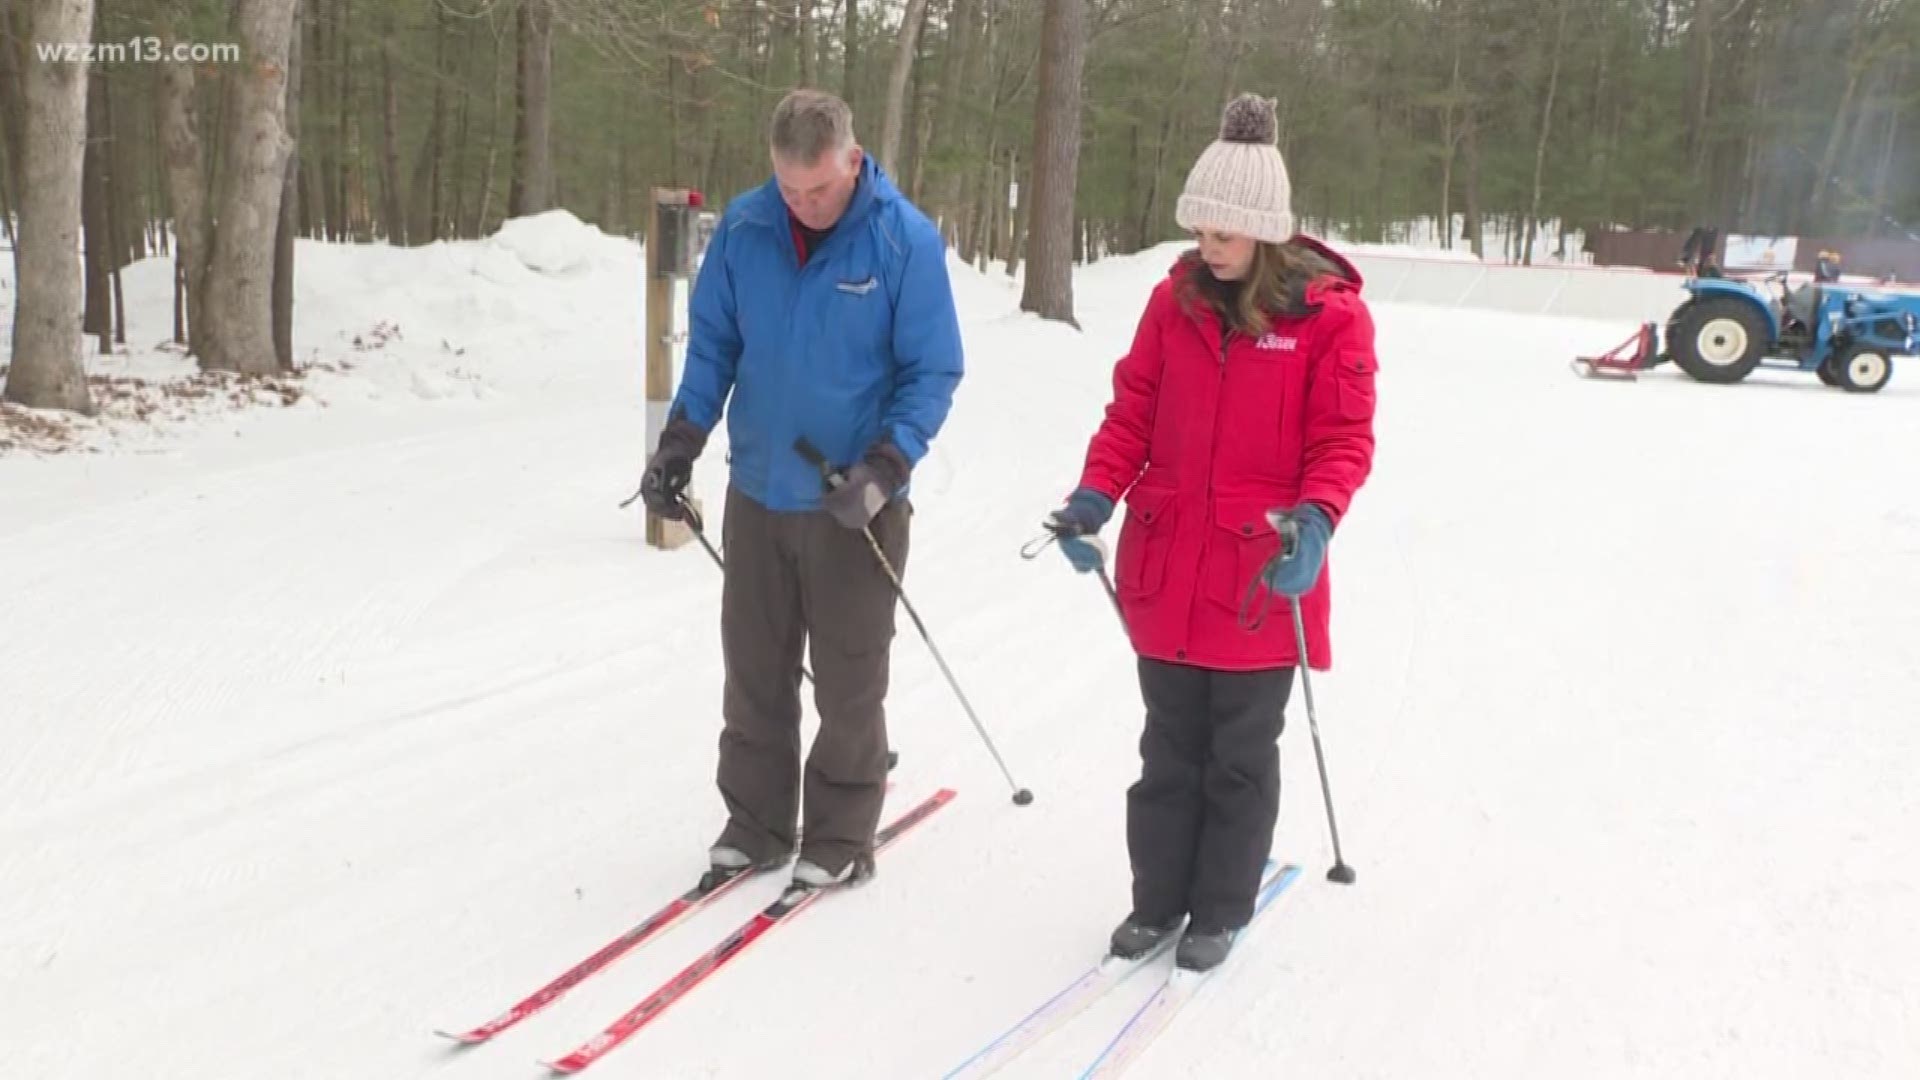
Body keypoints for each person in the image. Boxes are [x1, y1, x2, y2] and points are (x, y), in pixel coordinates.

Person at [1041, 93, 1378, 972]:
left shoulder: (1330, 318)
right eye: (1201, 228)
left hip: (1261, 574)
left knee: (1237, 759)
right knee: (1167, 755)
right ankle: (1156, 903)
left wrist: (1317, 518)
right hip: (1169, 566)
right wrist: (1093, 497)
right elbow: (1132, 416)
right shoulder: (1172, 304)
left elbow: (1342, 442)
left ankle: (1220, 909)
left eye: (1225, 231)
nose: (1208, 245)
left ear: (1264, 231)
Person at [637, 89, 964, 891]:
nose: (804, 204)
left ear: (852, 159)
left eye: (818, 188)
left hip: (853, 502)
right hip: (759, 490)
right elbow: (713, 345)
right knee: (754, 670)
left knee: (851, 677)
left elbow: (933, 370)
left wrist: (885, 470)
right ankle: (755, 822)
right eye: (789, 188)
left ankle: (842, 832)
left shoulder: (902, 241)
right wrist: (678, 446)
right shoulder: (747, 230)